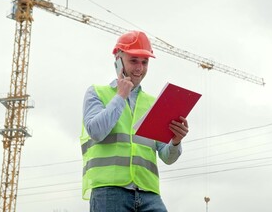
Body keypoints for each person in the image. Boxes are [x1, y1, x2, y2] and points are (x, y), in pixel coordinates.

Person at [80, 30, 190, 212]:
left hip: (149, 193)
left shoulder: (153, 103)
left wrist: (176, 141)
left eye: (144, 62)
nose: (139, 68)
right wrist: (120, 96)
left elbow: (166, 157)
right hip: (110, 191)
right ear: (118, 60)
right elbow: (96, 131)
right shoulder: (97, 93)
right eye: (133, 61)